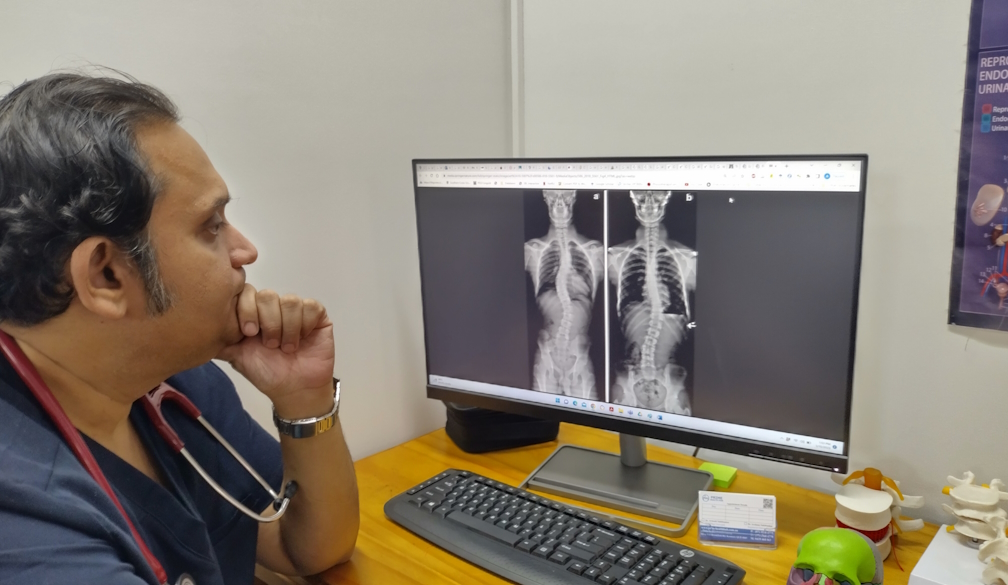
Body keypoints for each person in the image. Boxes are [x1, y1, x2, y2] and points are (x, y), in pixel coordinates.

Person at [0, 71, 359, 585]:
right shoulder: (25, 529)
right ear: (105, 276)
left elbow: (309, 549)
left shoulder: (169, 378)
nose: (246, 250)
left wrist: (304, 398)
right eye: (211, 226)